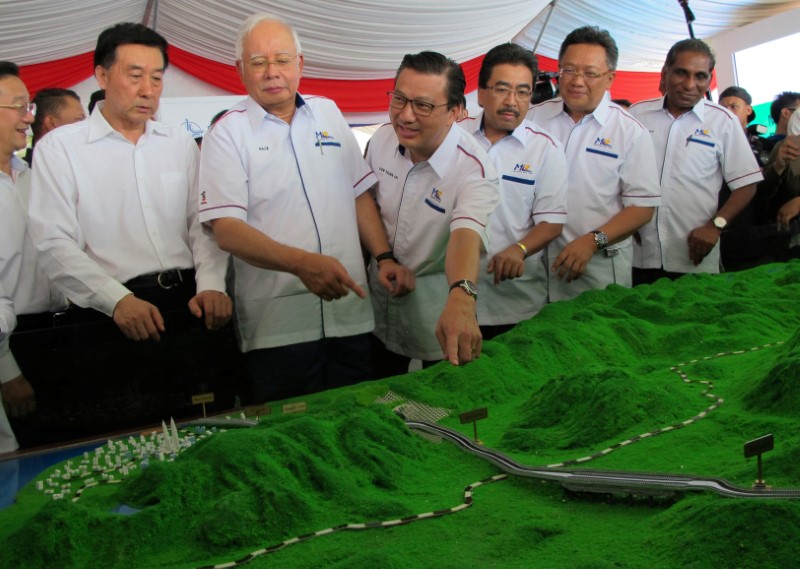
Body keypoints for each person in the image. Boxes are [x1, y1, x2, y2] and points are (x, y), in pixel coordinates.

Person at [28, 23, 233, 435]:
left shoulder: (178, 143)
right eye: (135, 75)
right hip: (110, 314)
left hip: (188, 305)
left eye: (157, 78)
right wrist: (117, 300)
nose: (148, 90)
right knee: (126, 439)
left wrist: (212, 283)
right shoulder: (62, 148)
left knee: (207, 429)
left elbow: (202, 224)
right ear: (103, 77)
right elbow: (53, 242)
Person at [199, 14, 411, 402]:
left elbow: (359, 193)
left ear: (300, 64)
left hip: (350, 312)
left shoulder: (327, 113)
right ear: (240, 70)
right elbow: (227, 228)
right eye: (258, 62)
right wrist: (301, 263)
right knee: (292, 434)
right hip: (279, 326)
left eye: (282, 59)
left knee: (358, 419)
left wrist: (383, 256)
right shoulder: (227, 133)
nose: (271, 72)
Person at [365, 50, 500, 376]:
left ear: (454, 111)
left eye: (423, 105)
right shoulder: (382, 140)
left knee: (437, 398)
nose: (405, 116)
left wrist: (462, 295)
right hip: (375, 296)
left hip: (435, 306)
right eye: (399, 99)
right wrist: (383, 257)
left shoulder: (474, 167)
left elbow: (466, 236)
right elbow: (365, 201)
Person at [526, 26, 660, 301]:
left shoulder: (630, 132)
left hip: (597, 269)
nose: (577, 81)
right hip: (531, 269)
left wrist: (592, 241)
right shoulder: (531, 120)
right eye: (569, 70)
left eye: (590, 73)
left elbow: (643, 208)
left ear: (610, 78)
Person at [629, 39, 762, 282]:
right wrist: (625, 219)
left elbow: (746, 184)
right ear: (665, 73)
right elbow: (617, 175)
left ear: (708, 80)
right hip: (637, 255)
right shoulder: (636, 115)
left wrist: (716, 226)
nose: (690, 84)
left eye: (700, 76)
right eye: (682, 73)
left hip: (695, 256)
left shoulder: (723, 121)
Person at [460, 43, 567, 340]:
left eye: (522, 92)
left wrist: (519, 249)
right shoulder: (454, 137)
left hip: (513, 300)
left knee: (505, 378)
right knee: (443, 379)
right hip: (450, 294)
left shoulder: (546, 148)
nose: (512, 101)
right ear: (481, 93)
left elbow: (552, 222)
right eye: (502, 90)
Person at [0, 62, 66, 452]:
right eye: (19, 106)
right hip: (11, 344)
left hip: (56, 335)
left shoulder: (31, 176)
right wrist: (6, 370)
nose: (30, 117)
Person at [24, 88, 85, 166]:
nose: (86, 126)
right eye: (79, 120)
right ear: (51, 123)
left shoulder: (82, 162)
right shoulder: (24, 173)